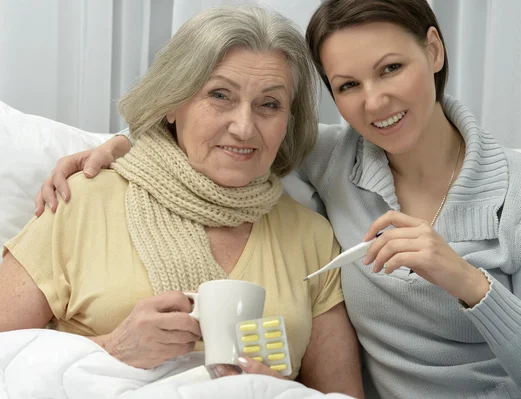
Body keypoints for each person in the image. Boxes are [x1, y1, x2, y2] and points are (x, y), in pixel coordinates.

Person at [31, 0, 521, 398]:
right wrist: (117, 145)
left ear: (433, 50)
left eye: (391, 68)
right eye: (348, 86)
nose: (375, 102)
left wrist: (470, 284)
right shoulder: (337, 160)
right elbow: (231, 135)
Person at [0, 5, 364, 397]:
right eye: (220, 95)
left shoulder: (310, 236)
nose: (244, 127)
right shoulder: (80, 202)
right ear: (173, 103)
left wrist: (272, 389)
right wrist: (113, 349)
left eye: (270, 104)